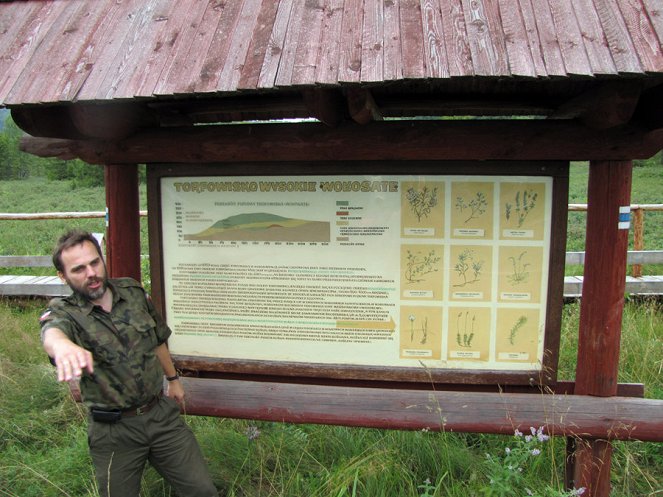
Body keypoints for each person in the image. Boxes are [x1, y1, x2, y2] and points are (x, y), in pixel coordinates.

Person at [39, 229, 217, 497]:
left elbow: (157, 340)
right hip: (113, 432)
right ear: (63, 276)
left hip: (160, 417)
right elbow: (53, 331)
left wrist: (173, 380)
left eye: (95, 262)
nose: (91, 273)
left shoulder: (132, 292)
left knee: (202, 491)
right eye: (78, 269)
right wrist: (62, 345)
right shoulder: (66, 312)